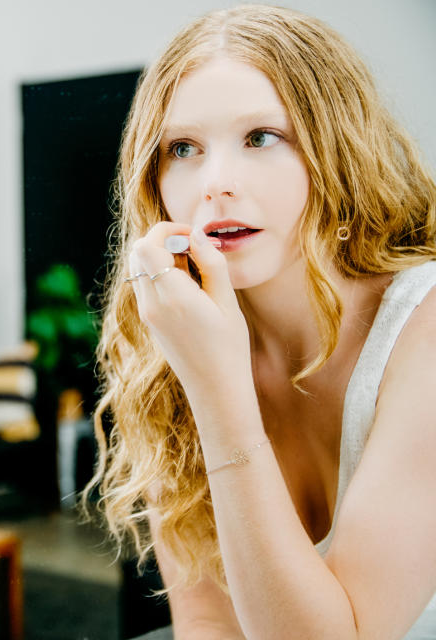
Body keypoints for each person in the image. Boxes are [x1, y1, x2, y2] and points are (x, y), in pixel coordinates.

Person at [89, 5, 436, 639]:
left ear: (337, 152)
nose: (215, 183)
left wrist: (218, 391)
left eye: (260, 138)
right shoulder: (181, 335)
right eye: (183, 148)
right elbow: (204, 621)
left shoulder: (426, 329)